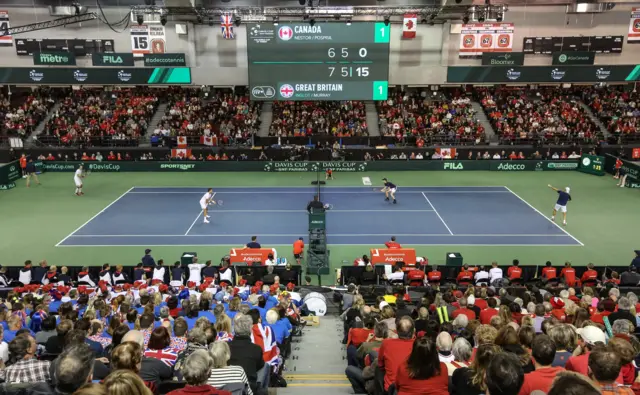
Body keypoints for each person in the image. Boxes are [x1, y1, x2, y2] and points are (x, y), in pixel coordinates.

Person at [378, 316, 415, 392]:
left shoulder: (386, 343)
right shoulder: (419, 345)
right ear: (413, 331)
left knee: (377, 370)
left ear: (397, 331)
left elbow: (380, 365)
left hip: (393, 389)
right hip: (412, 388)